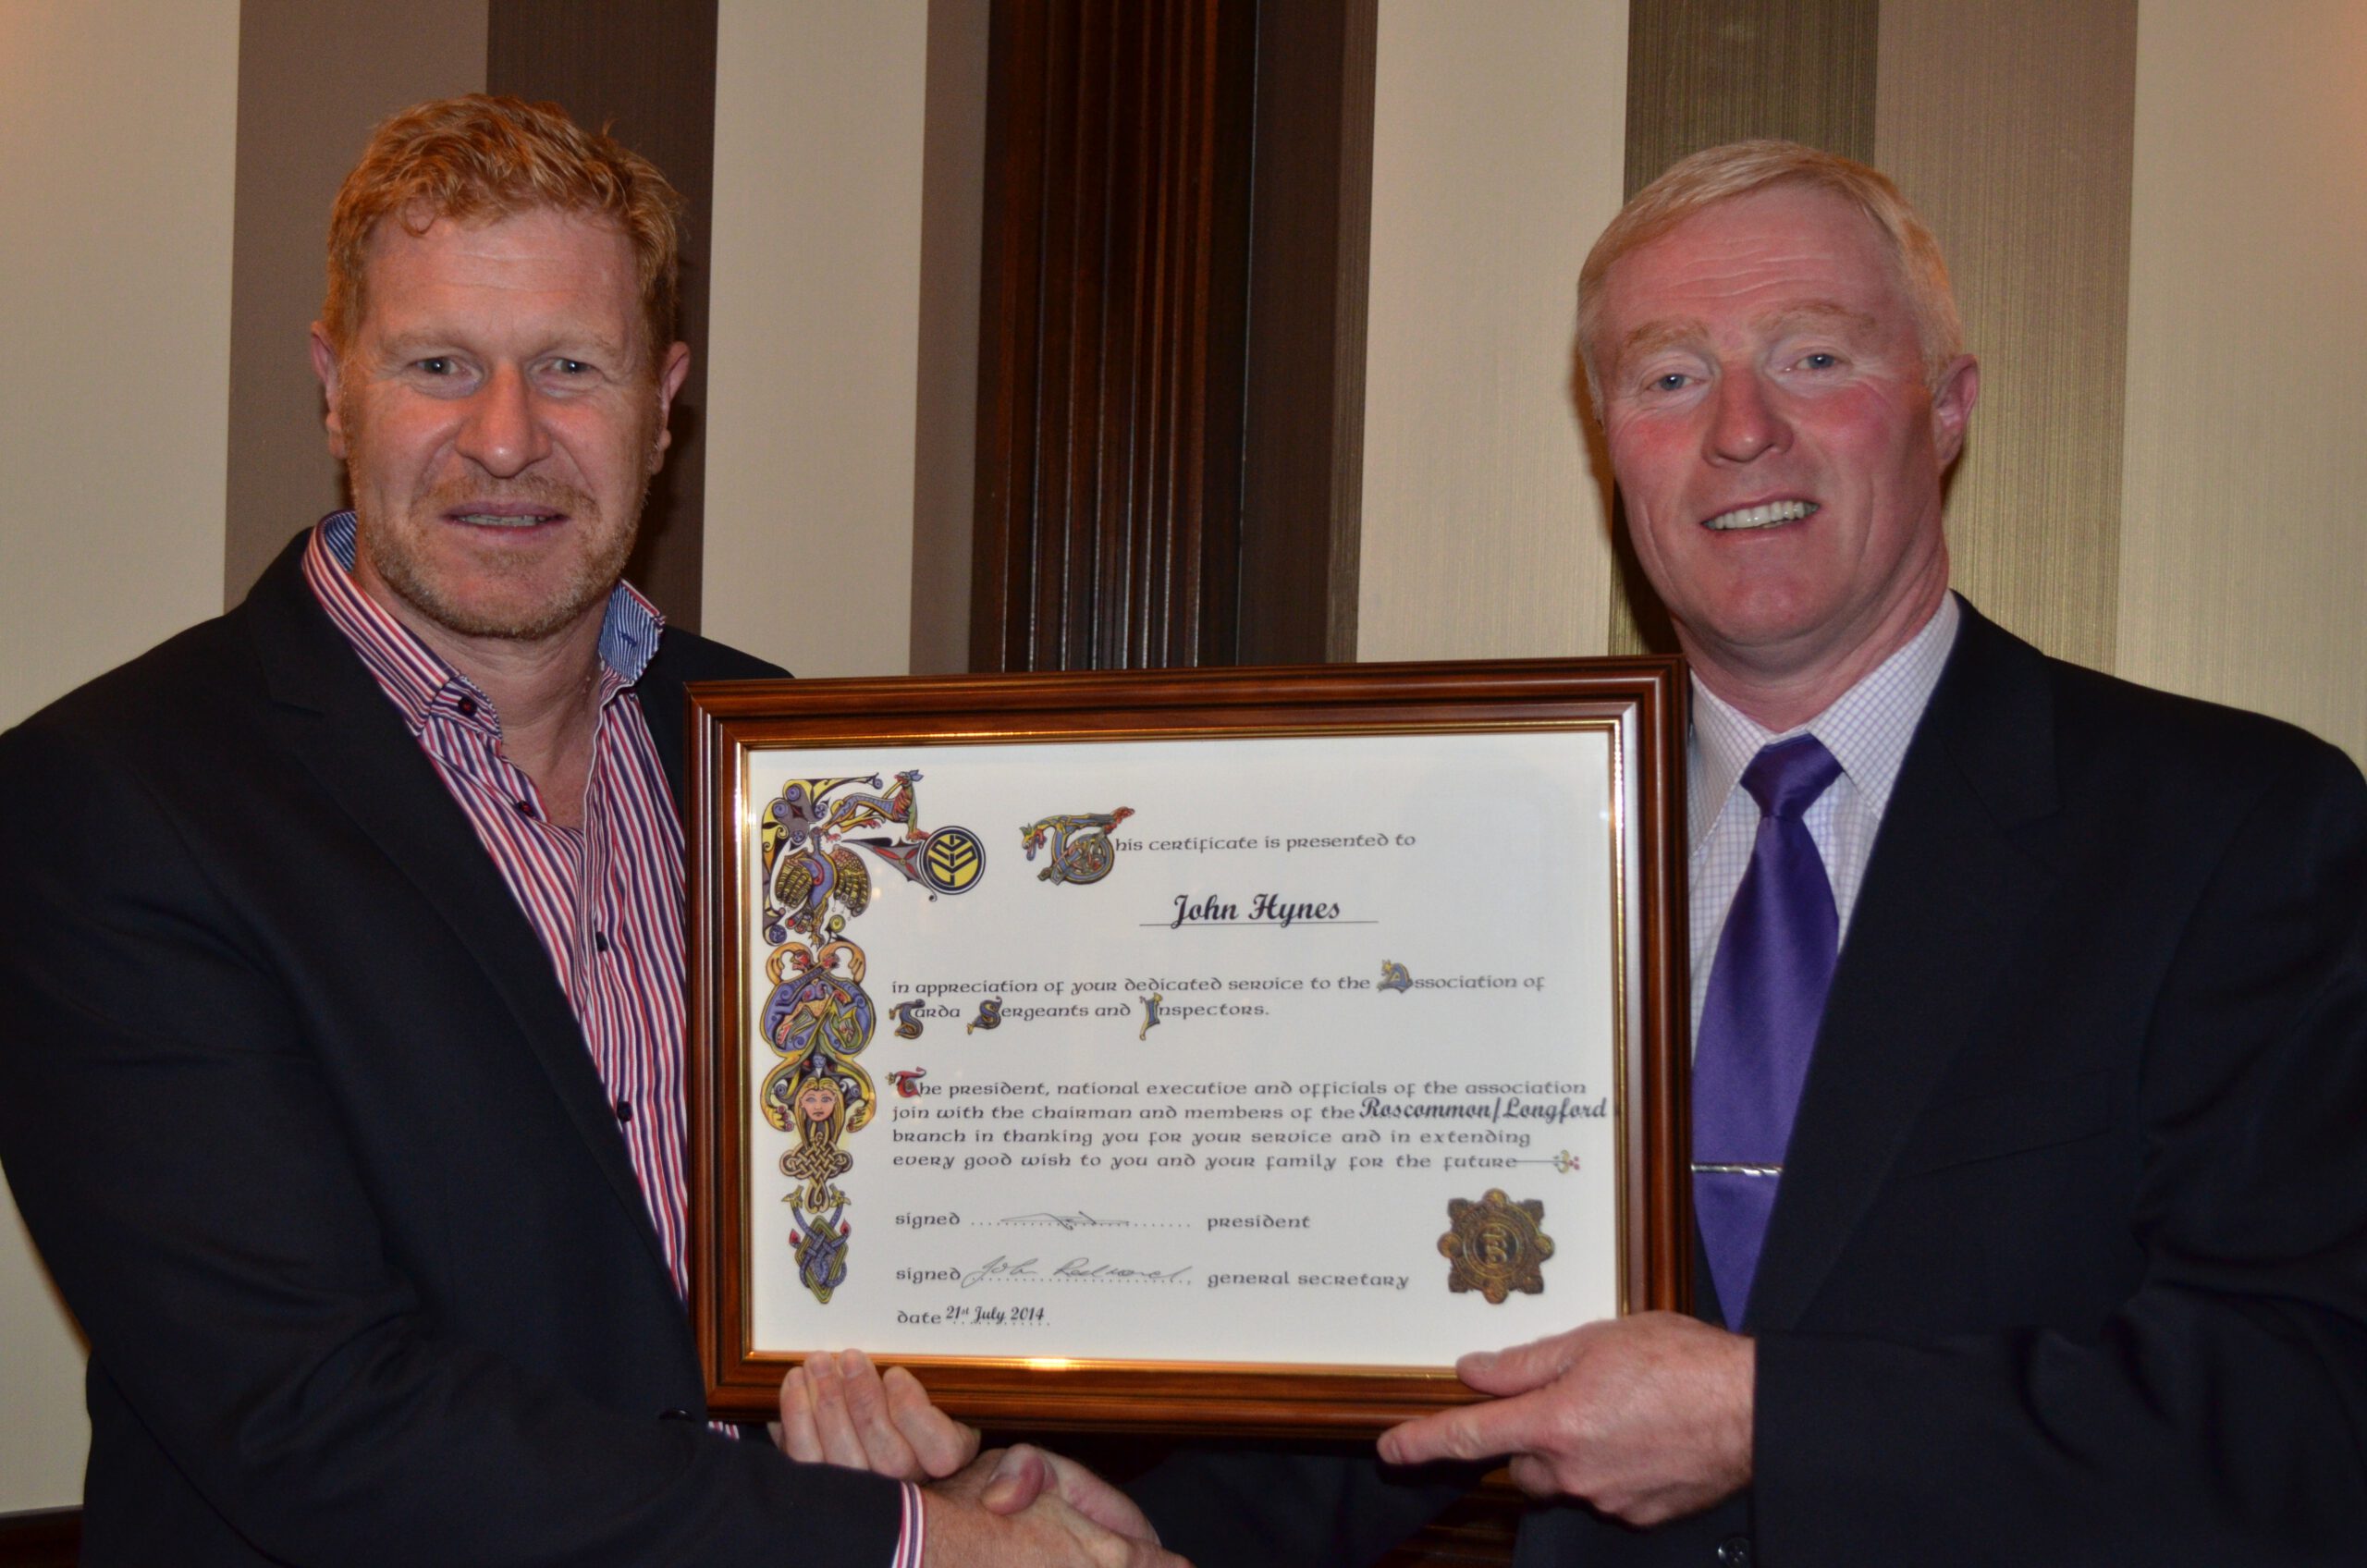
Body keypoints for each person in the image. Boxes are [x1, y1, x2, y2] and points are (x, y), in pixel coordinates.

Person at [813, 140, 2367, 1565]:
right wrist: (1136, 1526)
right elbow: (1393, 1340)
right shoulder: (1473, 842)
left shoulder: (2231, 831)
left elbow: (2307, 1398)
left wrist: (1771, 1419)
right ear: (1609, 438)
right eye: (1671, 375)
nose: (1743, 430)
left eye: (1814, 357)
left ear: (1947, 402)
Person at [0, 93, 1176, 1568]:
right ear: (334, 389)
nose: (507, 439)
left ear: (664, 400)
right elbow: (309, 1413)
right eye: (439, 366)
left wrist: (976, 1443)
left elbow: (942, 1216)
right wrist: (905, 1545)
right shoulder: (116, 805)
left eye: (571, 367)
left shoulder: (799, 772)